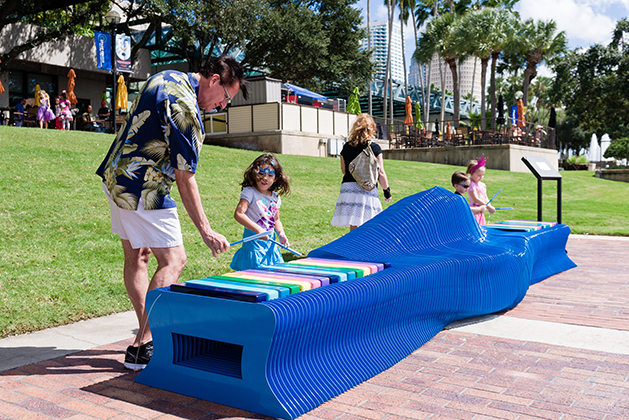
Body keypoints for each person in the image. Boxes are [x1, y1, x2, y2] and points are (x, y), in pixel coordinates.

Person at [96, 55, 248, 371]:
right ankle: (142, 346)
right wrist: (206, 230)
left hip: (115, 176)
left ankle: (146, 337)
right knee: (175, 260)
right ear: (215, 80)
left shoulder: (168, 76)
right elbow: (185, 178)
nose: (221, 107)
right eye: (225, 99)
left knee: (137, 256)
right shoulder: (188, 114)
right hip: (144, 186)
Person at [331, 113, 391, 231]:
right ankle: (363, 247)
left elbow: (344, 171)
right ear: (371, 129)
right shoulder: (375, 148)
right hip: (367, 188)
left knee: (354, 222)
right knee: (369, 222)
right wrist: (386, 191)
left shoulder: (346, 147)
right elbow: (381, 173)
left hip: (348, 188)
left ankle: (353, 247)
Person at [231, 153, 291, 271]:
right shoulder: (250, 192)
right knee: (255, 278)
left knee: (274, 277)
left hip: (270, 246)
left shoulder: (275, 197)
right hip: (254, 245)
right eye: (261, 174)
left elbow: (276, 219)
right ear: (254, 174)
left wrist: (281, 233)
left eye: (270, 175)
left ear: (275, 178)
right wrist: (258, 230)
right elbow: (239, 214)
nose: (265, 178)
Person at [466, 155, 495, 226]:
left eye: (483, 175)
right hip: (474, 211)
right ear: (471, 173)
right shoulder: (471, 185)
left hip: (481, 211)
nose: (481, 177)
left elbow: (485, 198)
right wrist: (487, 206)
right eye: (479, 175)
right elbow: (475, 199)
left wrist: (489, 205)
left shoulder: (483, 185)